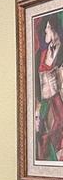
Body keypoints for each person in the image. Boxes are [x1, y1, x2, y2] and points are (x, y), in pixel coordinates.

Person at [35, 14, 63, 161]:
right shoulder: (43, 53)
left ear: (52, 29)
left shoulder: (59, 50)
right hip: (46, 98)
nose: (45, 32)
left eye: (47, 29)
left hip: (55, 96)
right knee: (42, 130)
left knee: (60, 121)